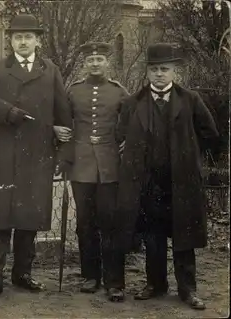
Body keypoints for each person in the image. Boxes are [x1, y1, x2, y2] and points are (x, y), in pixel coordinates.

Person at [0, 14, 73, 301]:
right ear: (11, 41)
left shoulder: (50, 69)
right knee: (0, 219)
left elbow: (62, 112)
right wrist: (8, 113)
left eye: (29, 36)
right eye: (18, 37)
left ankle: (22, 274)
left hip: (38, 154)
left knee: (29, 218)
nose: (23, 41)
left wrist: (64, 154)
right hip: (4, 153)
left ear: (38, 40)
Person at [116, 43, 219, 310]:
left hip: (181, 182)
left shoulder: (190, 99)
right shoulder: (133, 103)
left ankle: (188, 289)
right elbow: (120, 136)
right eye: (154, 69)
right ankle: (155, 284)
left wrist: (190, 156)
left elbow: (211, 134)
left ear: (174, 71)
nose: (159, 74)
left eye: (164, 69)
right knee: (153, 236)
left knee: (184, 235)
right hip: (148, 183)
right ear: (147, 72)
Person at [66, 42, 129, 302]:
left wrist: (127, 141)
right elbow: (62, 124)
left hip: (109, 166)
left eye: (99, 59)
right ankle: (90, 275)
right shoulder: (73, 91)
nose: (95, 63)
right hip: (81, 166)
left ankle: (114, 280)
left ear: (108, 63)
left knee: (110, 223)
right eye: (90, 59)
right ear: (84, 63)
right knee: (85, 223)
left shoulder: (120, 92)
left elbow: (129, 124)